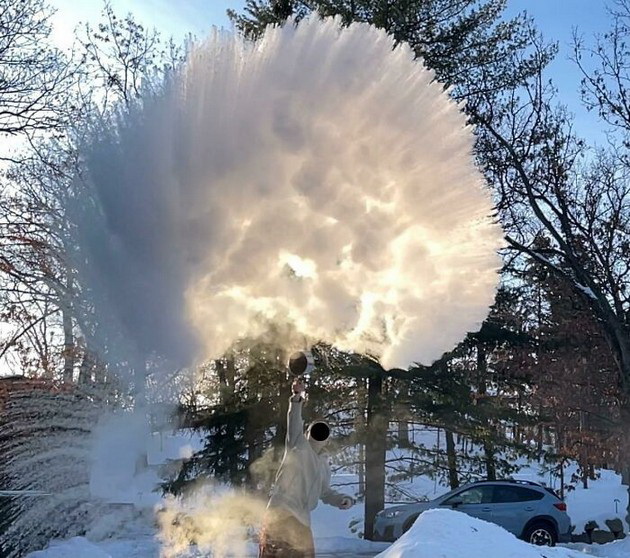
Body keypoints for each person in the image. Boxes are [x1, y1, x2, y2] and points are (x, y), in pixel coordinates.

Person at [258, 379, 354, 558]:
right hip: (281, 514)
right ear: (307, 433)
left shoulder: (323, 464)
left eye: (323, 433)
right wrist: (296, 397)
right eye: (316, 431)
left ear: (327, 439)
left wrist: (341, 499)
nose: (319, 435)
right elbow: (294, 422)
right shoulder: (298, 445)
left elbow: (325, 492)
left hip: (301, 521)